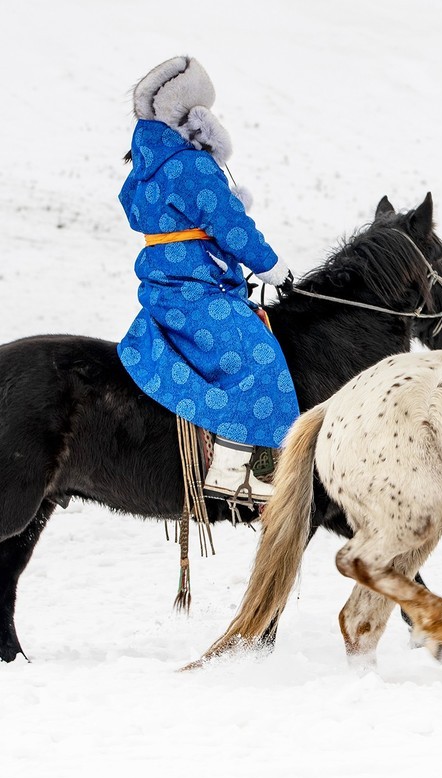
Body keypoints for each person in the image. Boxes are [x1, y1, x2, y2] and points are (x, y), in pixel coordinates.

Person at [117, 56, 297, 500]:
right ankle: (241, 472)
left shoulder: (146, 171)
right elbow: (231, 226)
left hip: (167, 290)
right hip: (198, 293)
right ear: (191, 115)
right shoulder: (191, 167)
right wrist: (271, 267)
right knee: (262, 361)